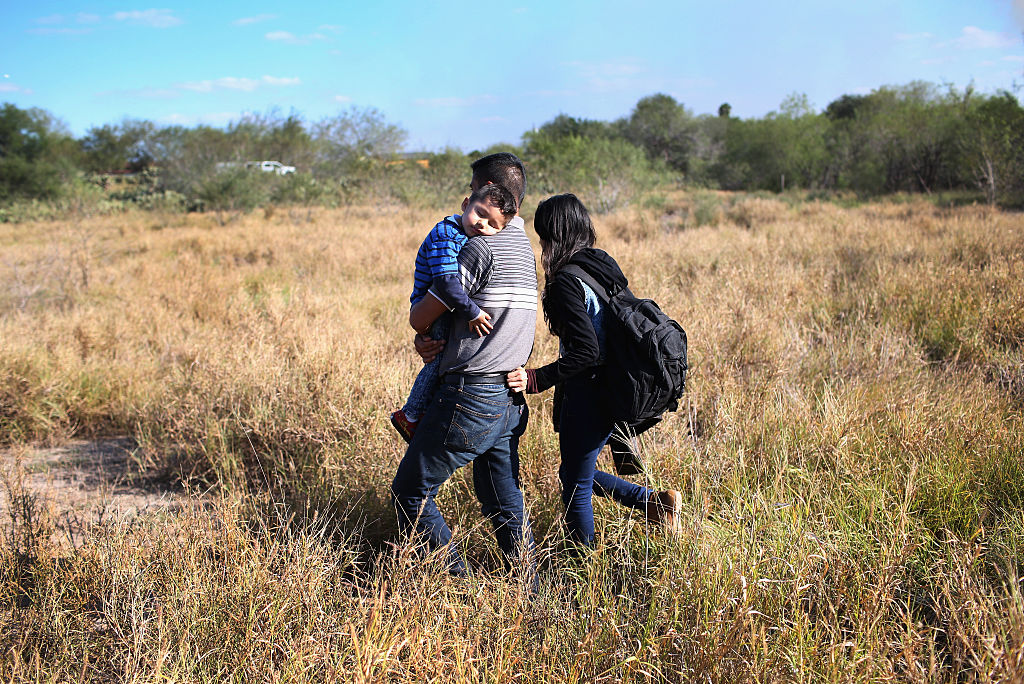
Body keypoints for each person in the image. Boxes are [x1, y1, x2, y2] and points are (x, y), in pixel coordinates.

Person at [391, 153, 537, 578]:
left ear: (488, 192)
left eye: (474, 190)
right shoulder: (523, 246)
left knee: (410, 493)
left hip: (471, 394)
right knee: (501, 497)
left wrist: (423, 332)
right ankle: (528, 589)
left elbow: (421, 315)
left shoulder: (476, 246)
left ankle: (462, 587)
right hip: (510, 394)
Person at [506, 193, 682, 549]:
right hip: (617, 384)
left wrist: (537, 378)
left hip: (590, 391)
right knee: (575, 475)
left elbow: (587, 351)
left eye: (542, 235)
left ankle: (584, 567)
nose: (540, 243)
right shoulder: (599, 264)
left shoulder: (565, 280)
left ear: (552, 234)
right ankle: (654, 503)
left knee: (574, 488)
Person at [390, 182, 519, 443]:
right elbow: (447, 282)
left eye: (493, 225)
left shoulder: (468, 235)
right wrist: (472, 312)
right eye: (480, 214)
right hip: (434, 308)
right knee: (438, 361)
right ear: (464, 204)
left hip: (446, 308)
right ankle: (411, 413)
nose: (483, 225)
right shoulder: (445, 235)